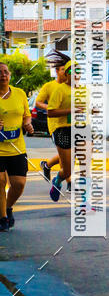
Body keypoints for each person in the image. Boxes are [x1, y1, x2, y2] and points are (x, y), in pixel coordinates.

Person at [0, 61, 34, 231]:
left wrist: (27, 124)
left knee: (19, 183)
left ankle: (7, 207)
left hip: (16, 147)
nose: (3, 75)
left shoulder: (19, 93)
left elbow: (26, 115)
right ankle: (3, 218)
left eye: (5, 72)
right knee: (0, 181)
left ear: (10, 75)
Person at [36, 56, 69, 182]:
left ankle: (47, 164)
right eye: (62, 70)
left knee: (71, 153)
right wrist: (50, 108)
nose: (65, 73)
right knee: (65, 153)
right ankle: (69, 181)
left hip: (71, 124)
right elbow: (38, 102)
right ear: (57, 71)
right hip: (56, 125)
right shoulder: (49, 86)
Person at [47, 60, 72, 202]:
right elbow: (51, 112)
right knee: (68, 170)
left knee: (85, 166)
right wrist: (70, 111)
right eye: (71, 71)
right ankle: (57, 181)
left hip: (83, 129)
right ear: (66, 74)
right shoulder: (59, 89)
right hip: (63, 130)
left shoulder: (84, 90)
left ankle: (85, 201)